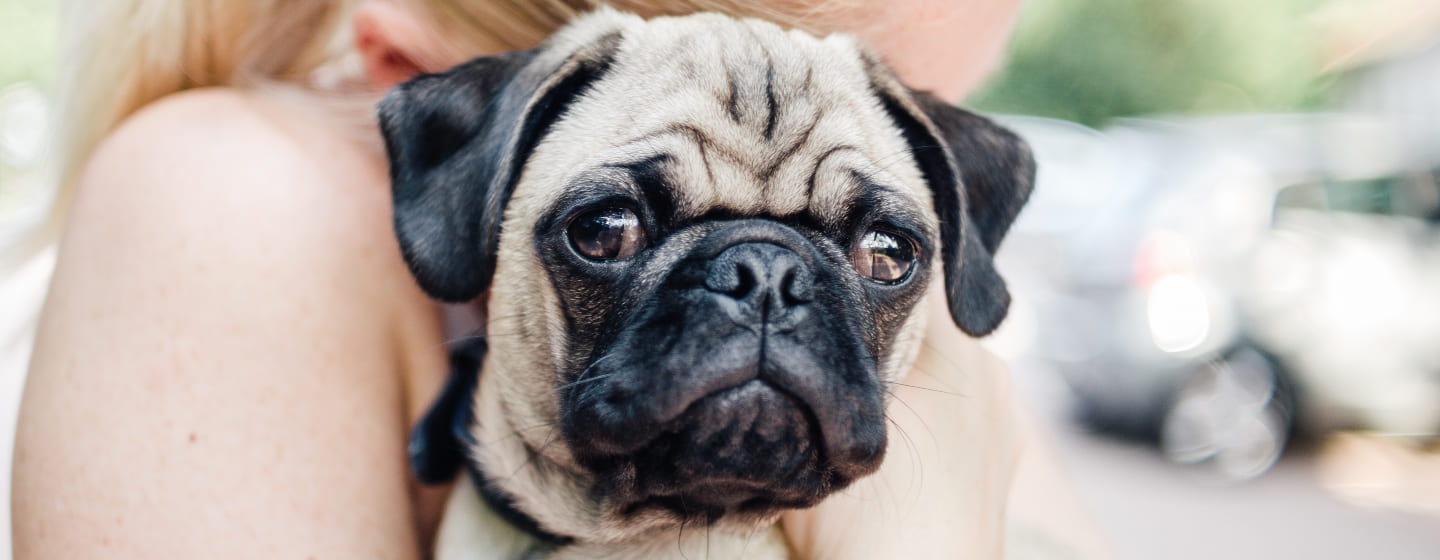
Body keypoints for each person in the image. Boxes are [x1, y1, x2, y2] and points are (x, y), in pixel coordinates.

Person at [12, 0, 1107, 557]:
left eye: (877, 254)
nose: (767, 293)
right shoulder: (237, 197)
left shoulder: (956, 360)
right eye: (616, 229)